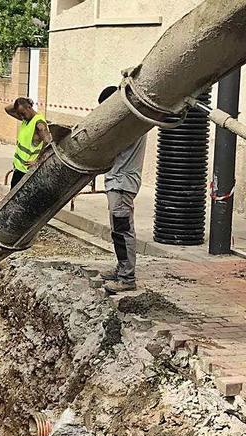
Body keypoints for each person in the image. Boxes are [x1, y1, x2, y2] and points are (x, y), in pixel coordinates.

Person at [98, 86, 147, 294]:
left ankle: (127, 278)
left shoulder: (129, 125)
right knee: (118, 231)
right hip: (118, 182)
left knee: (123, 230)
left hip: (122, 183)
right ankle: (121, 269)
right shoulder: (131, 122)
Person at [4, 97, 51, 188]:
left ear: (29, 108)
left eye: (23, 114)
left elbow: (49, 143)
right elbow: (7, 109)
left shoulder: (39, 124)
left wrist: (38, 161)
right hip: (19, 168)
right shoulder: (26, 119)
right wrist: (22, 101)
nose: (21, 117)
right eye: (19, 114)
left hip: (27, 172)